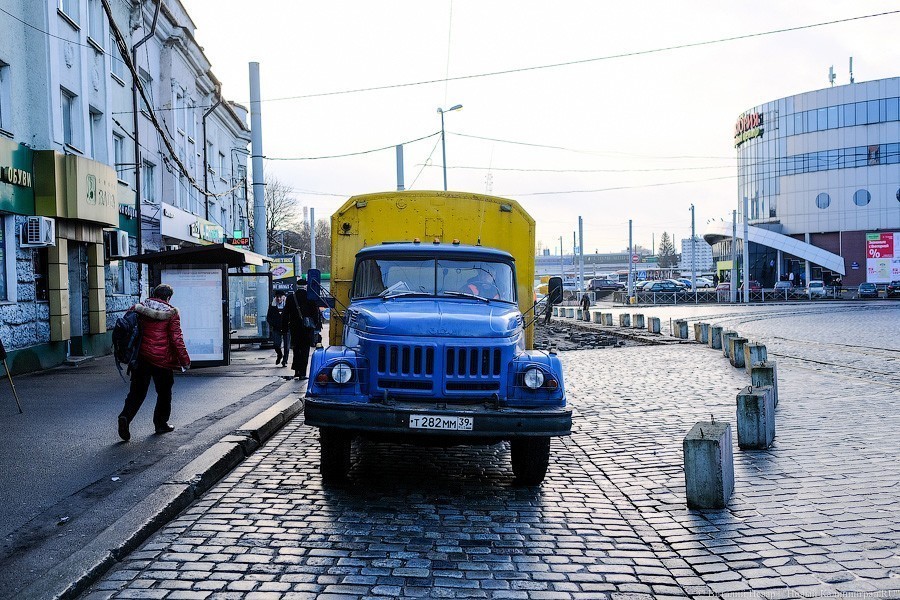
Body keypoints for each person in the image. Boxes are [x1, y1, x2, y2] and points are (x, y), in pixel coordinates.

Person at [118, 284, 190, 442]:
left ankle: (125, 417)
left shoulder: (139, 308)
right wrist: (185, 360)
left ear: (154, 294)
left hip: (141, 357)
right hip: (162, 361)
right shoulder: (171, 313)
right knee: (164, 393)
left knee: (137, 393)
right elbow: (177, 339)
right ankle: (160, 424)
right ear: (168, 297)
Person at [284, 278, 322, 380]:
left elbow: (285, 313)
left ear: (296, 285)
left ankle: (296, 370)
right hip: (306, 328)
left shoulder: (291, 298)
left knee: (296, 349)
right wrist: (315, 325)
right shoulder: (310, 298)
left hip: (294, 328)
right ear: (306, 286)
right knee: (305, 350)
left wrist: (285, 327)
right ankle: (303, 373)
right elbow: (315, 314)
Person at [267, 291, 289, 367]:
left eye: (280, 297)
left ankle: (285, 361)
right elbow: (269, 317)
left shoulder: (288, 305)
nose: (279, 298)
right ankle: (279, 355)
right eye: (277, 297)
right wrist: (273, 324)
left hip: (286, 328)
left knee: (287, 346)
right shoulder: (272, 305)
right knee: (276, 344)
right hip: (276, 328)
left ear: (283, 297)